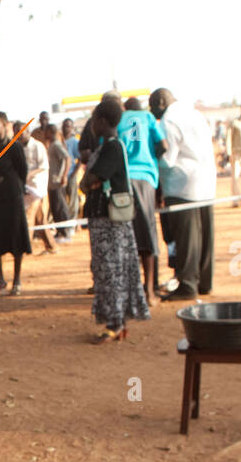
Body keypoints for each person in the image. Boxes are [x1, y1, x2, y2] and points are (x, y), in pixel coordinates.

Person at [81, 99, 149, 342]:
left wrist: (90, 180)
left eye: (93, 120)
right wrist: (89, 180)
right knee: (107, 270)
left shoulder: (112, 148)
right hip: (103, 219)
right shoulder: (107, 147)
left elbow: (94, 178)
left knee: (112, 271)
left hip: (110, 221)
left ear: (101, 121)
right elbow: (87, 182)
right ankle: (115, 319)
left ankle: (116, 322)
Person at [150, 88, 216, 301]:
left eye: (153, 107)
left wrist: (153, 161)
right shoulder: (194, 113)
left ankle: (187, 284)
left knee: (187, 238)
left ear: (161, 102)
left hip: (182, 185)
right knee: (205, 236)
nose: (153, 112)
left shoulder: (168, 120)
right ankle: (204, 282)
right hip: (206, 182)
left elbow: (168, 160)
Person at [118, 97, 169, 301]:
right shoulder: (148, 118)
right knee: (147, 231)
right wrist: (151, 157)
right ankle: (149, 291)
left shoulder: (120, 119)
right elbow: (163, 145)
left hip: (123, 179)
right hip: (146, 178)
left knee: (126, 233)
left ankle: (129, 290)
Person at [0, 111, 30, 295]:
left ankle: (17, 280)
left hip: (13, 196)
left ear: (4, 124)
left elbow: (23, 170)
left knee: (17, 236)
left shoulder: (14, 147)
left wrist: (15, 185)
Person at [20, 120, 54, 254]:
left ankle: (25, 248)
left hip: (37, 186)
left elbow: (44, 166)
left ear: (28, 132)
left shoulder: (38, 146)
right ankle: (51, 246)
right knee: (40, 218)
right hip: (26, 186)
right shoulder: (19, 147)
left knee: (28, 216)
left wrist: (28, 175)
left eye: (21, 132)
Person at [43, 125, 72, 244]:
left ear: (50, 132)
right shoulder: (52, 145)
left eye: (46, 132)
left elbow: (67, 158)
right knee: (55, 207)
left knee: (60, 207)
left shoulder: (56, 145)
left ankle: (65, 232)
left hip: (57, 181)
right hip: (52, 182)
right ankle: (60, 231)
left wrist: (63, 175)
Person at [61, 117, 81, 238]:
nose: (66, 128)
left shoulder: (74, 142)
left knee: (73, 201)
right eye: (64, 125)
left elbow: (80, 158)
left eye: (68, 126)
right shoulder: (59, 140)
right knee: (62, 201)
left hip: (71, 174)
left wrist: (74, 173)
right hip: (60, 176)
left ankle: (72, 225)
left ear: (72, 128)